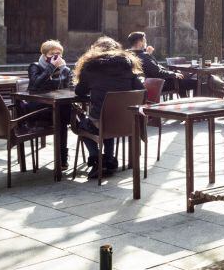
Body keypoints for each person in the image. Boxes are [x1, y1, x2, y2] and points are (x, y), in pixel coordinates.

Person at [73, 37, 145, 179]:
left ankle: (97, 159)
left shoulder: (90, 66)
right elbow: (140, 89)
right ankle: (109, 160)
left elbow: (79, 92)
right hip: (125, 121)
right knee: (106, 120)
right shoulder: (127, 65)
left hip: (100, 121)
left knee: (81, 124)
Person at [26, 40, 74, 168]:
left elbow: (69, 89)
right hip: (39, 109)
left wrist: (64, 70)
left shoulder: (65, 69)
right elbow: (36, 84)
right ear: (45, 55)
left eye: (59, 54)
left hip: (57, 108)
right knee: (64, 117)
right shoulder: (35, 66)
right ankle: (63, 157)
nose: (56, 57)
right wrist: (51, 67)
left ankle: (62, 157)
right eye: (52, 54)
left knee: (63, 116)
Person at [126, 32, 196, 95]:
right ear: (139, 42)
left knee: (180, 80)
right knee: (196, 83)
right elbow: (158, 72)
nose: (146, 42)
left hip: (141, 84)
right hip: (157, 84)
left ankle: (183, 104)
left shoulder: (126, 55)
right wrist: (173, 74)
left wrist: (148, 54)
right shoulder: (144, 56)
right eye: (144, 40)